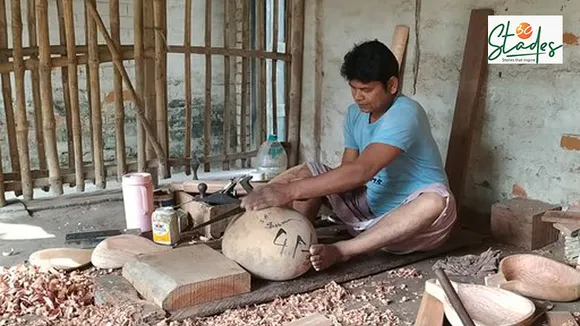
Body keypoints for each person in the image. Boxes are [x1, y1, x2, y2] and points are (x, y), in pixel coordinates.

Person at [240, 39, 457, 272]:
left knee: (434, 201)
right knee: (309, 171)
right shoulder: (355, 114)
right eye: (353, 88)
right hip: (368, 213)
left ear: (392, 85)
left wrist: (288, 190)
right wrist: (282, 187)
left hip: (411, 226)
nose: (357, 96)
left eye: (366, 90)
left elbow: (361, 172)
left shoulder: (406, 113)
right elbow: (347, 170)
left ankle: (343, 251)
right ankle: (298, 247)